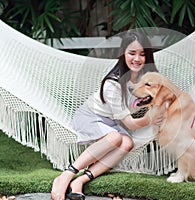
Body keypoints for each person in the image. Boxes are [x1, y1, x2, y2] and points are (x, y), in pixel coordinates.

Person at [51, 30, 165, 200]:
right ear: (123, 54)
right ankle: (67, 174)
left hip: (111, 122)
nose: (137, 59)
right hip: (90, 116)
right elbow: (131, 124)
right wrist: (150, 119)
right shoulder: (114, 83)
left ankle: (80, 181)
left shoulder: (147, 78)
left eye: (142, 54)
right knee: (115, 138)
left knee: (127, 143)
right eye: (132, 53)